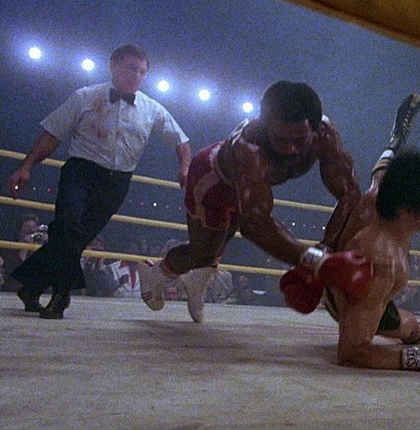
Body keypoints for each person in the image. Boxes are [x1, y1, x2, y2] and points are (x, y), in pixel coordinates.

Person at [139, 80, 366, 323]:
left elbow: (350, 195)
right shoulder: (248, 148)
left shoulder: (326, 135)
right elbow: (255, 225)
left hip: (248, 185)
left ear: (315, 128)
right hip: (212, 182)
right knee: (203, 252)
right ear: (265, 126)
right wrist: (316, 261)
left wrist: (327, 248)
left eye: (300, 140)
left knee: (223, 238)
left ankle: (197, 279)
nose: (291, 149)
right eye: (281, 139)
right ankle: (155, 274)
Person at [7, 44, 191, 319]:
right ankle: (61, 296)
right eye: (131, 68)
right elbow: (52, 134)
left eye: (142, 71)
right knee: (67, 228)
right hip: (80, 173)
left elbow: (181, 140)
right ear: (113, 66)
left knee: (75, 239)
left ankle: (30, 286)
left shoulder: (152, 108)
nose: (137, 76)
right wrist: (26, 167)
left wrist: (185, 166)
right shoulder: (85, 96)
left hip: (117, 182)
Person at [281, 146, 420, 371]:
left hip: (357, 283)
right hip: (352, 295)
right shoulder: (381, 264)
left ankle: (419, 332)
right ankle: (416, 334)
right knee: (403, 324)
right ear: (407, 210)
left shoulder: (383, 194)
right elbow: (351, 353)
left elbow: (382, 172)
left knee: (410, 326)